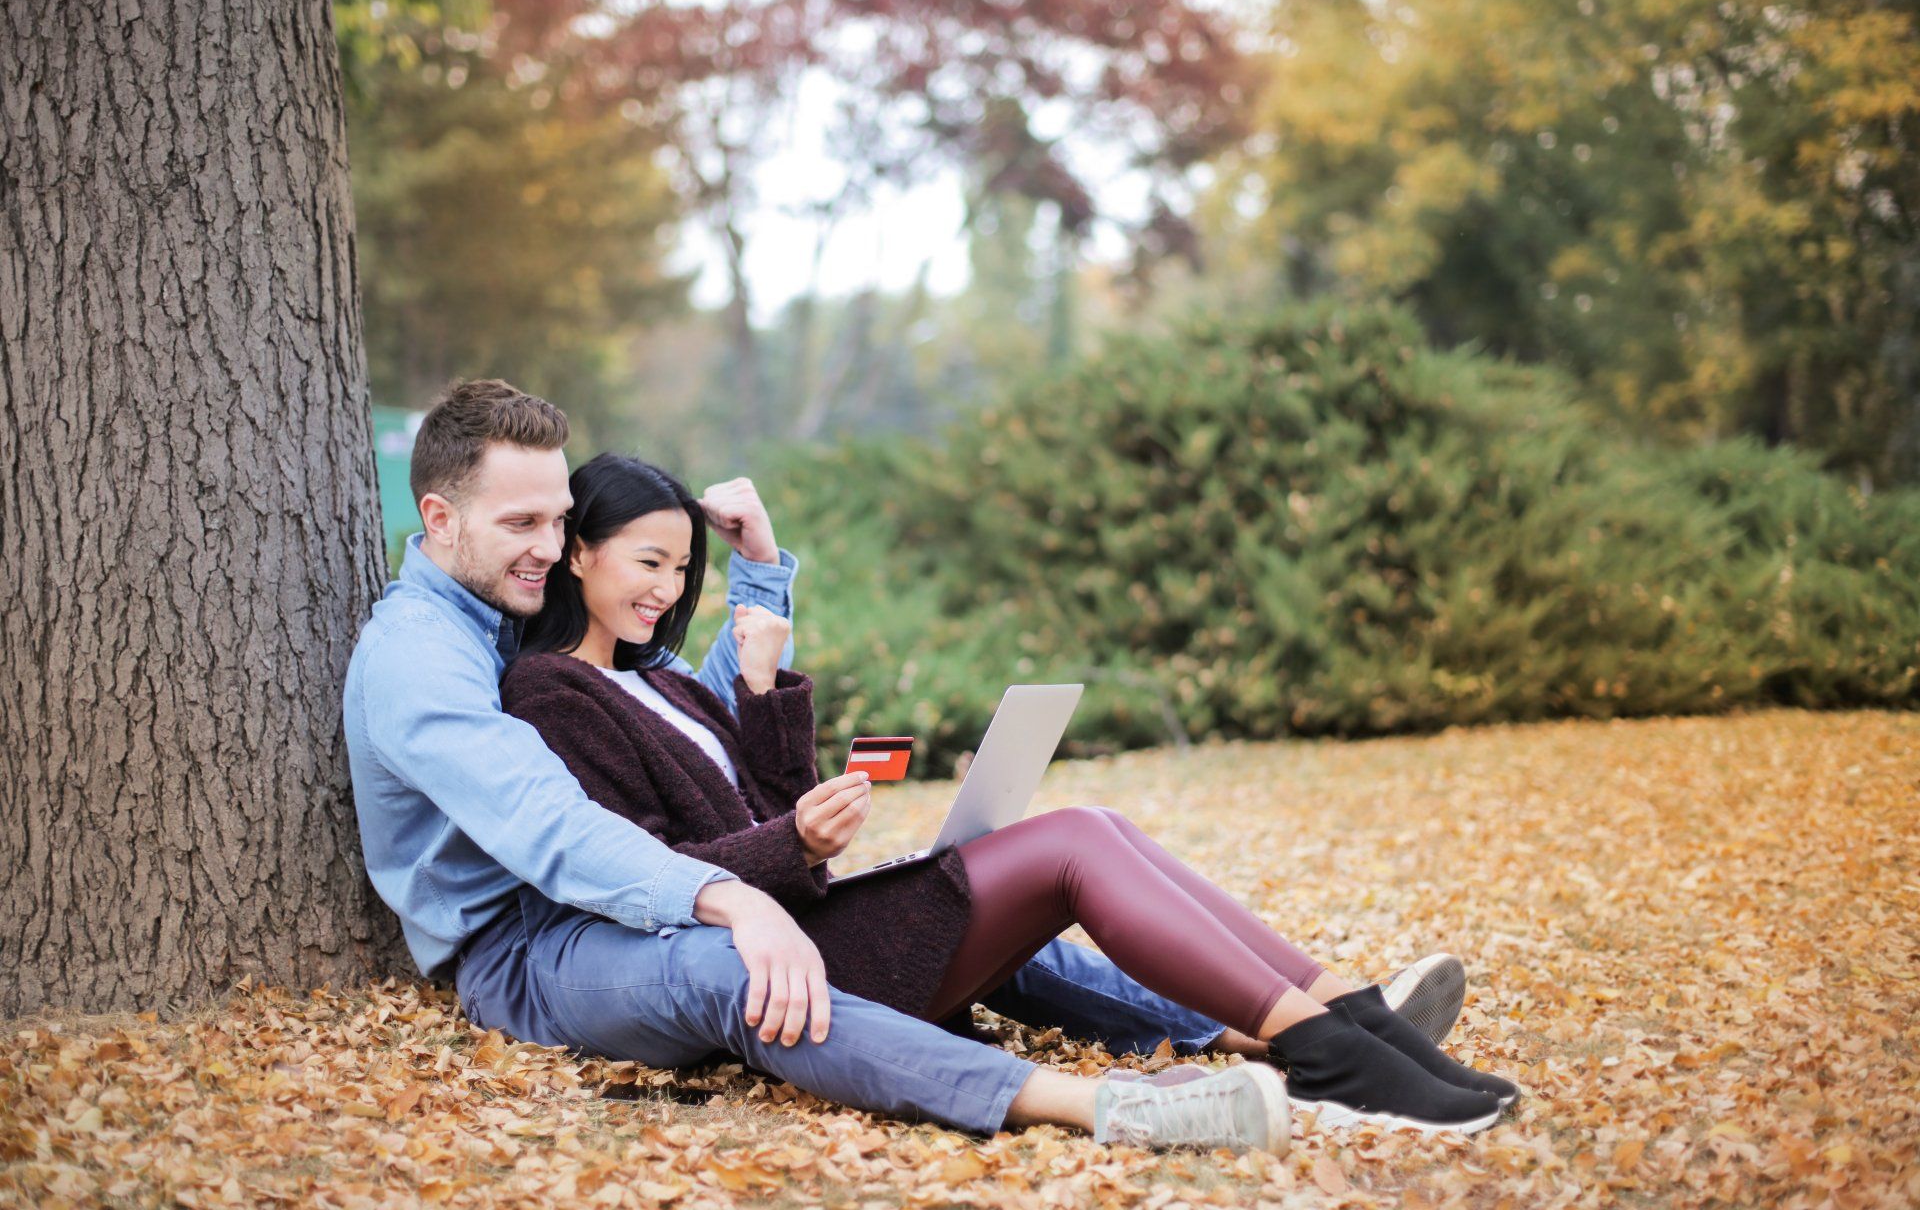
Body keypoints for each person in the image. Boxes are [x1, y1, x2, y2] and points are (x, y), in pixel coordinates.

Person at [346, 379, 1294, 1153]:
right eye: (524, 526)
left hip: (605, 896)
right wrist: (734, 896)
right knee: (732, 971)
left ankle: (1257, 1027)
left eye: (558, 522)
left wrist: (757, 573)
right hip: (525, 946)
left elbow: (676, 712)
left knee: (931, 903)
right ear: (437, 517)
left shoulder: (508, 608)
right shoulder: (423, 657)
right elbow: (550, 824)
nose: (549, 551)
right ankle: (1109, 1109)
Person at [496, 450, 1519, 1134]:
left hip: (811, 926)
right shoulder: (552, 691)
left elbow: (777, 809)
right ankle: (1331, 1051)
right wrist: (793, 843)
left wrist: (768, 707)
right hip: (803, 968)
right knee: (1074, 838)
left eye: (681, 566)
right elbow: (638, 873)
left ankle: (1346, 1018)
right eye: (647, 561)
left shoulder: (667, 680)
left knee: (1098, 823)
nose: (668, 588)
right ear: (578, 550)